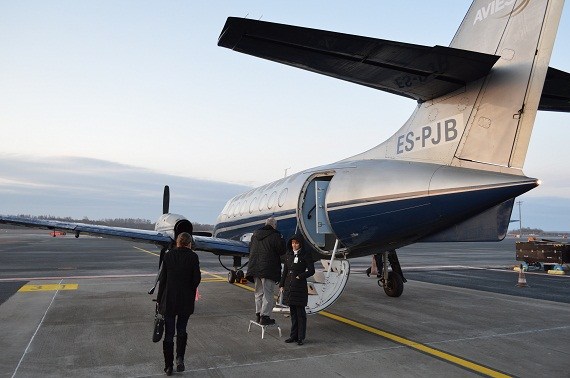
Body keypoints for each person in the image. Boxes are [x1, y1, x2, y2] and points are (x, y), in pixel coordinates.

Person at [157, 232, 201, 376]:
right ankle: (180, 359)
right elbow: (196, 280)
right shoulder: (193, 257)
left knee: (169, 333)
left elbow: (162, 280)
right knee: (181, 330)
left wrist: (159, 300)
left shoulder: (168, 256)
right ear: (189, 243)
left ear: (177, 242)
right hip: (185, 301)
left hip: (169, 300)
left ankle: (168, 366)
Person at [246, 216, 286, 325]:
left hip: (255, 269)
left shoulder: (255, 235)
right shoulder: (276, 235)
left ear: (265, 224)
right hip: (268, 269)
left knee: (258, 293)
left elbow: (250, 249)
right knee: (268, 294)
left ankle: (258, 315)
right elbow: (282, 250)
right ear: (274, 225)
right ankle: (265, 317)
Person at [279, 234, 315, 345]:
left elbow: (311, 270)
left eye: (296, 243)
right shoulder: (288, 254)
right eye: (293, 243)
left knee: (300, 313)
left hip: (299, 286)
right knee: (293, 313)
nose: (294, 245)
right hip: (289, 285)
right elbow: (285, 271)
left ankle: (301, 337)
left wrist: (301, 276)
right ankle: (293, 336)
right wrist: (281, 284)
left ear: (300, 244)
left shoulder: (306, 254)